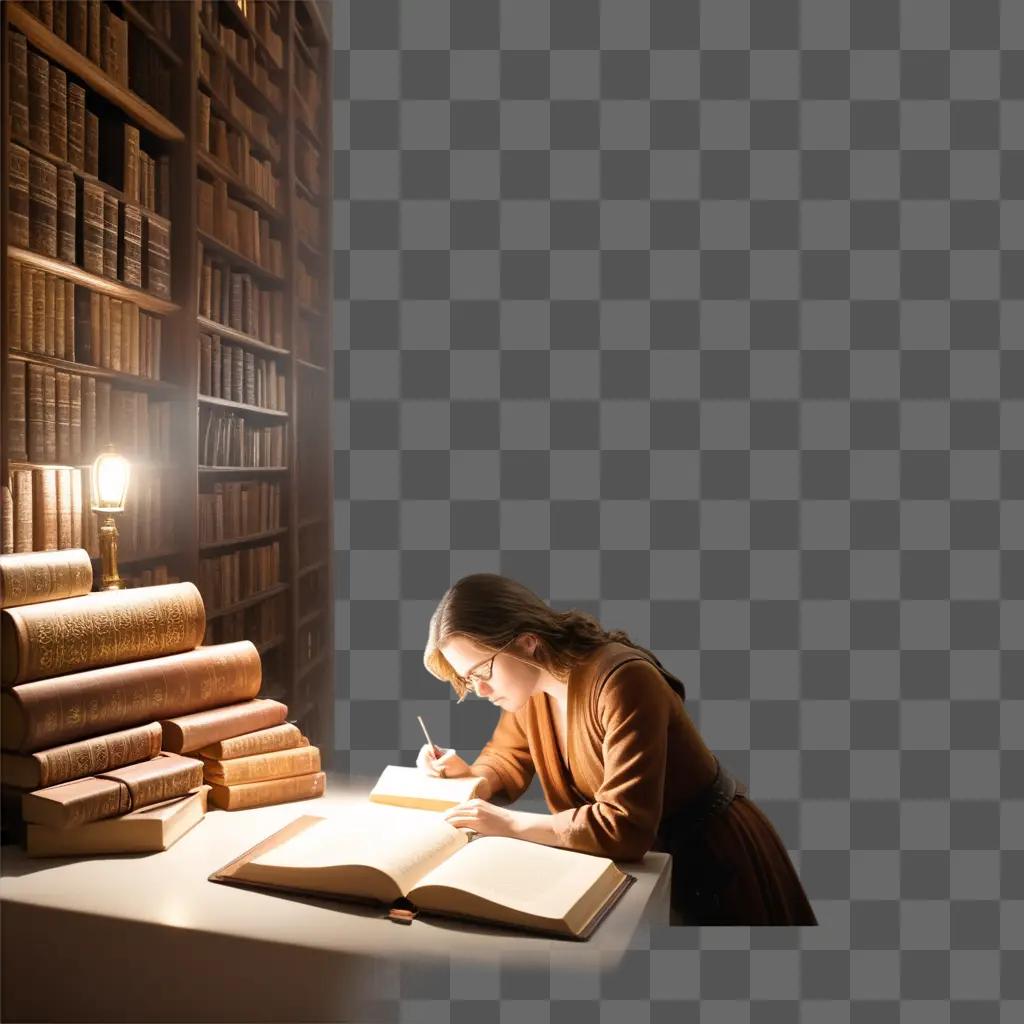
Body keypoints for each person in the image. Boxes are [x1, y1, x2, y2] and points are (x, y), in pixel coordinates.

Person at [417, 573, 817, 926]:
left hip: (710, 855)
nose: (480, 690)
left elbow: (623, 826)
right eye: (468, 680)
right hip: (640, 868)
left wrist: (511, 825)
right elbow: (508, 757)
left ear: (528, 642)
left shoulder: (622, 681)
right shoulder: (531, 689)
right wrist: (474, 777)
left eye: (482, 671)